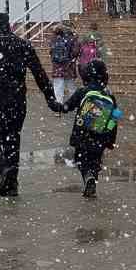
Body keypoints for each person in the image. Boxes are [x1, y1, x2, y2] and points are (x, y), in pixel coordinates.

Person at [0, 12, 60, 198]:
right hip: (16, 102)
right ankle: (11, 185)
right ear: (10, 26)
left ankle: (4, 169)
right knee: (12, 141)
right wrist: (50, 99)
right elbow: (39, 73)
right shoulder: (23, 45)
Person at [55, 59, 120, 199]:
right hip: (101, 135)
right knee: (95, 161)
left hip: (82, 133)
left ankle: (87, 177)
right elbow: (115, 117)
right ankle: (92, 181)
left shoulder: (83, 91)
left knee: (82, 159)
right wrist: (110, 138)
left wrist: (58, 107)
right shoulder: (109, 95)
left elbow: (67, 106)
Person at [48, 26, 79, 104]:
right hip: (69, 67)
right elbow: (75, 52)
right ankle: (74, 104)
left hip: (57, 68)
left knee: (58, 88)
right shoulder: (72, 39)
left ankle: (58, 105)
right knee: (71, 87)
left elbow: (51, 53)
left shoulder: (53, 40)